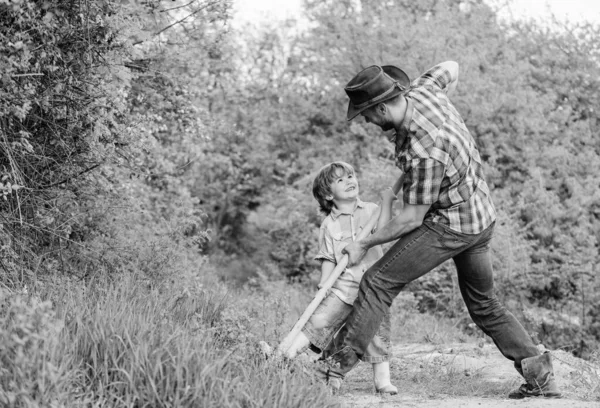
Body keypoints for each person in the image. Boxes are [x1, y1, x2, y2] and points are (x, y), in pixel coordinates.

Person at [315, 62, 561, 400]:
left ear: (382, 107)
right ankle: (540, 377)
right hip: (481, 215)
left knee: (377, 281)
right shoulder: (424, 90)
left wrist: (364, 243)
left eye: (367, 114)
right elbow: (451, 67)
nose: (367, 122)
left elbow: (411, 219)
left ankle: (332, 367)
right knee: (484, 303)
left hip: (451, 226)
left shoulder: (424, 150)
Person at [263, 161, 399, 394]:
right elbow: (328, 257)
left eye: (351, 176)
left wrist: (386, 202)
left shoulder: (370, 210)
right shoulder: (329, 224)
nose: (349, 181)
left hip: (374, 288)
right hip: (342, 288)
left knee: (377, 332)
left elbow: (384, 232)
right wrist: (323, 284)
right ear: (328, 194)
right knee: (318, 321)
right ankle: (282, 355)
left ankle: (382, 381)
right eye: (341, 180)